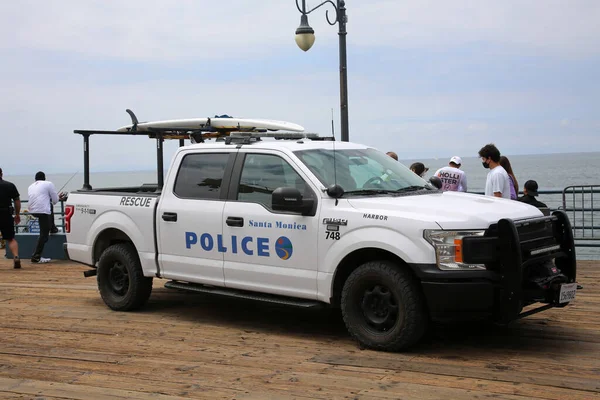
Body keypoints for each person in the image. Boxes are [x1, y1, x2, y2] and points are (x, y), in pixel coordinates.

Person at [27, 171, 58, 263]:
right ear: (44, 178)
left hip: (32, 210)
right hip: (43, 211)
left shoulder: (31, 186)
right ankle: (36, 257)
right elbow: (55, 201)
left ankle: (52, 227)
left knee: (49, 207)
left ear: (35, 179)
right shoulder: (48, 184)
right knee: (44, 235)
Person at [0, 168, 21, 269]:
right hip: (6, 214)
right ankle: (16, 257)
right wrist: (17, 214)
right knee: (11, 238)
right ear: (1, 174)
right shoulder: (10, 185)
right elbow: (17, 201)